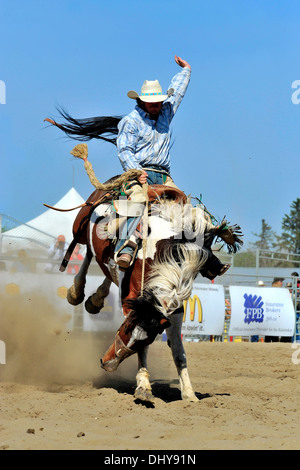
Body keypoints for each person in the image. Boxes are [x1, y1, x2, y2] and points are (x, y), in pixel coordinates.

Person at [44, 56, 232, 276]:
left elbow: (178, 93)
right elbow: (124, 151)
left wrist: (186, 71)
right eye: (153, 103)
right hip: (137, 173)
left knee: (186, 209)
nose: (157, 106)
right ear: (141, 101)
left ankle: (205, 257)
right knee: (138, 202)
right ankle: (127, 247)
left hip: (163, 176)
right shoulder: (130, 122)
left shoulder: (165, 112)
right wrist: (136, 171)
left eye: (159, 102)